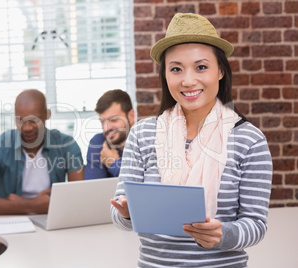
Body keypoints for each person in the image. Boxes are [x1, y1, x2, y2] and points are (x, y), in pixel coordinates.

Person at [110, 13, 273, 267]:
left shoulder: (249, 141)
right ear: (165, 74)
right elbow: (119, 213)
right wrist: (128, 213)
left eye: (201, 67)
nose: (188, 80)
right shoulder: (142, 134)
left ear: (220, 70)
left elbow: (256, 224)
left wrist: (223, 234)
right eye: (176, 69)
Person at [0, 89, 84, 215]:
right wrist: (31, 205)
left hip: (51, 222)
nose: (27, 128)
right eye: (20, 120)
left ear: (47, 114)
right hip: (8, 225)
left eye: (34, 120)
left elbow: (80, 197)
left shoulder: (66, 145)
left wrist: (21, 205)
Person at [84, 89, 135, 179]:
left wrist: (114, 164)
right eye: (102, 122)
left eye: (113, 120)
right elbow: (94, 191)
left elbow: (143, 188)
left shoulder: (146, 140)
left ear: (131, 116)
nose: (106, 128)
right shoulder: (99, 142)